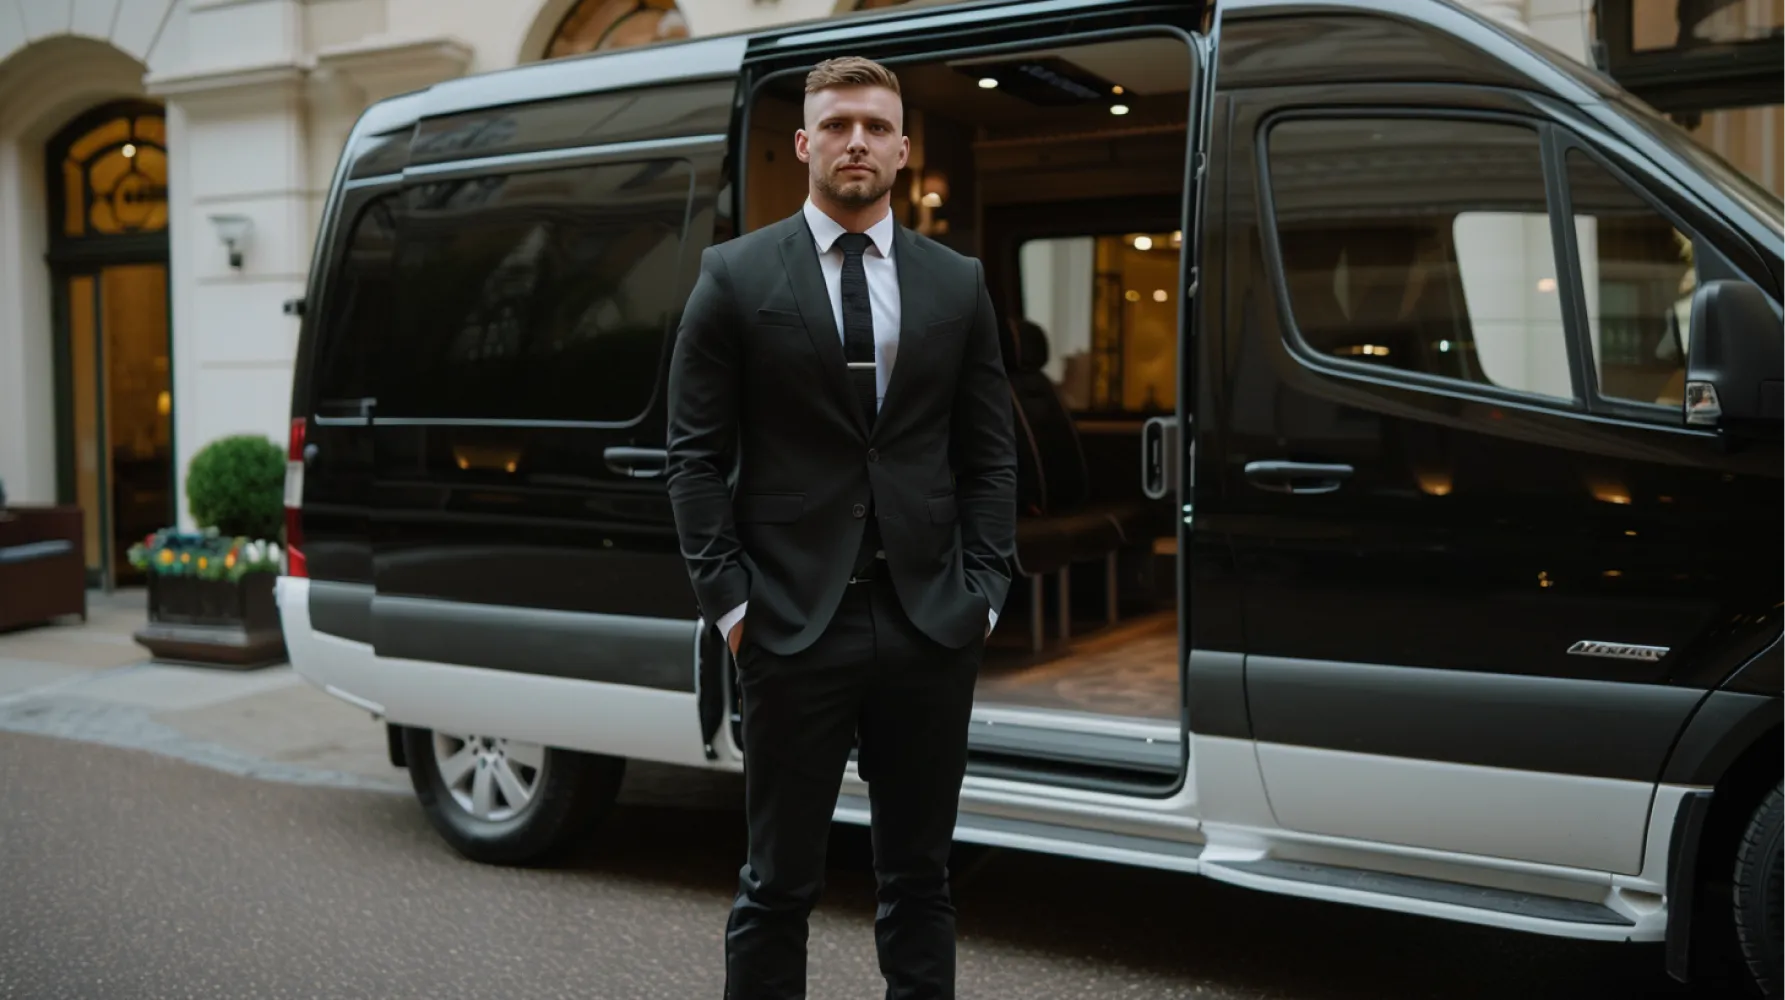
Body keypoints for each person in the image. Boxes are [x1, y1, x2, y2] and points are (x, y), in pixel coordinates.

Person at [664, 54, 1018, 1000]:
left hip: (928, 625)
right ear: (803, 143)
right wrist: (732, 608)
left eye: (872, 125)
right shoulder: (733, 277)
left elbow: (989, 457)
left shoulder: (956, 284)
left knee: (919, 880)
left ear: (903, 148)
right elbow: (692, 459)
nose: (853, 140)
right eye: (835, 124)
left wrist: (983, 595)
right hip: (788, 623)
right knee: (776, 885)